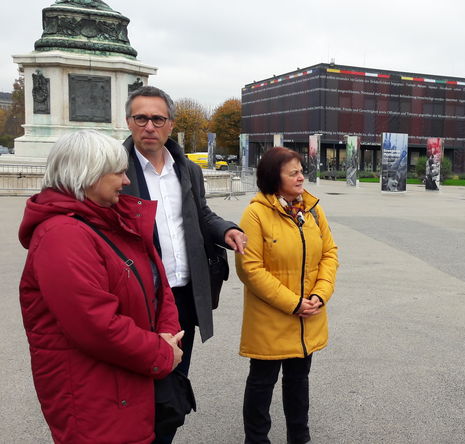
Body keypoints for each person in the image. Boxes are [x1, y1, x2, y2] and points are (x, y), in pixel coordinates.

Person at [18, 130, 183, 443]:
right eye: (118, 172)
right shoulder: (62, 235)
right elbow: (95, 325)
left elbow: (158, 286)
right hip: (94, 392)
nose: (126, 181)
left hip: (125, 382)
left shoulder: (111, 219)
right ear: (87, 175)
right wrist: (162, 353)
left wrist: (167, 332)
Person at [121, 85, 247, 442]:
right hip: (140, 297)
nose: (149, 126)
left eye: (157, 119)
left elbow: (201, 213)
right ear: (129, 121)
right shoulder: (115, 168)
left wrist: (226, 231)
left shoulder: (188, 170)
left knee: (174, 382)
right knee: (136, 386)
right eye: (141, 118)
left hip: (184, 297)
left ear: (170, 124)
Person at [236, 147, 339, 444]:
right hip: (272, 317)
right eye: (292, 172)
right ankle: (256, 439)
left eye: (300, 170)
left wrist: (320, 295)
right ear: (273, 177)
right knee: (262, 382)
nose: (301, 177)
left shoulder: (312, 210)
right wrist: (292, 303)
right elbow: (250, 269)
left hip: (308, 315)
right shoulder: (255, 214)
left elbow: (329, 253)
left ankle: (299, 436)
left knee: (298, 381)